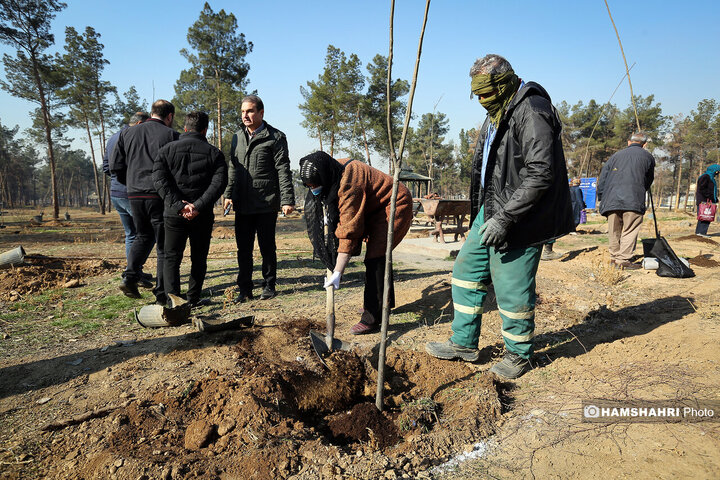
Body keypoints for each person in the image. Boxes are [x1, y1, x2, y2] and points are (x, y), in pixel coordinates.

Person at [425, 54, 574, 379]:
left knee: (512, 288)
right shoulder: (498, 111)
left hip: (523, 218)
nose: (479, 100)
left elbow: (540, 173)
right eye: (475, 93)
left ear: (503, 84)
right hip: (491, 210)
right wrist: (487, 212)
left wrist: (505, 218)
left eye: (484, 93)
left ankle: (518, 356)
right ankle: (463, 342)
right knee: (466, 271)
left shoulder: (532, 110)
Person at [299, 151, 413, 334]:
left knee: (376, 256)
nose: (313, 189)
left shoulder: (349, 184)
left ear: (325, 178)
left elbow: (349, 232)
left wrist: (338, 272)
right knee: (379, 255)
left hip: (394, 203)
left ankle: (372, 317)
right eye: (309, 186)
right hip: (372, 206)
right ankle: (384, 301)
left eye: (316, 185)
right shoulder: (331, 171)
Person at [222, 95, 295, 302]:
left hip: (266, 202)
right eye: (243, 111)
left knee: (267, 247)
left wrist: (287, 199)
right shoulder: (237, 137)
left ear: (261, 113)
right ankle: (245, 290)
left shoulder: (276, 137)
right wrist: (228, 194)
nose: (245, 115)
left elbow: (283, 169)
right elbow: (233, 167)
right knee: (243, 249)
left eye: (250, 111)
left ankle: (269, 285)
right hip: (242, 203)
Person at [152, 111, 228, 307]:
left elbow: (160, 181)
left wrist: (179, 206)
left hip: (173, 214)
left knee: (171, 257)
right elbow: (218, 184)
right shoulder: (215, 153)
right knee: (199, 257)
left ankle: (173, 301)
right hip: (201, 215)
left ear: (185, 128)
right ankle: (193, 298)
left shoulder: (165, 151)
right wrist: (198, 206)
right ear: (205, 130)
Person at [110, 99, 180, 303]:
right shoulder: (171, 135)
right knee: (163, 244)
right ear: (170, 117)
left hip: (133, 193)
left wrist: (131, 183)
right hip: (159, 194)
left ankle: (130, 276)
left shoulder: (127, 132)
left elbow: (115, 166)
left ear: (152, 112)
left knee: (142, 235)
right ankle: (161, 291)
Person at [102, 112, 152, 287]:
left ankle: (134, 270)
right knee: (147, 234)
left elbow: (107, 167)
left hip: (116, 193)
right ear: (139, 123)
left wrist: (117, 180)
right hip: (130, 194)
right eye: (146, 125)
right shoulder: (132, 139)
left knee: (131, 234)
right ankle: (133, 272)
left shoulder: (113, 138)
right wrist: (130, 179)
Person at [597, 132, 655, 269]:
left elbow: (603, 177)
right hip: (633, 198)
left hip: (611, 199)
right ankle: (623, 260)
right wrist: (642, 189)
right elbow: (648, 179)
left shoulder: (615, 156)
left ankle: (614, 258)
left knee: (614, 229)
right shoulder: (648, 156)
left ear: (629, 142)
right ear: (645, 144)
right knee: (630, 229)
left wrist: (601, 197)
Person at [695, 164, 720, 237]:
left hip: (707, 200)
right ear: (714, 170)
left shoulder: (711, 177)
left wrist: (715, 199)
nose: (717, 173)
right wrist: (710, 197)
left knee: (706, 216)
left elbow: (711, 190)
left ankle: (700, 233)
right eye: (717, 171)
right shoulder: (705, 177)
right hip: (704, 201)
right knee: (704, 216)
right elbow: (703, 189)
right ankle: (701, 233)